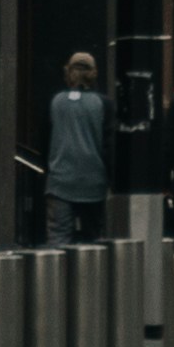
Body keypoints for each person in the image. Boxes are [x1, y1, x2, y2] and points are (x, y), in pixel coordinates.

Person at [40, 52, 111, 251]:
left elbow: (44, 141)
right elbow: (108, 147)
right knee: (92, 242)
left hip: (59, 183)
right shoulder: (103, 104)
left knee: (58, 239)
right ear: (93, 74)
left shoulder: (55, 102)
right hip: (93, 184)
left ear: (68, 72)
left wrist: (49, 172)